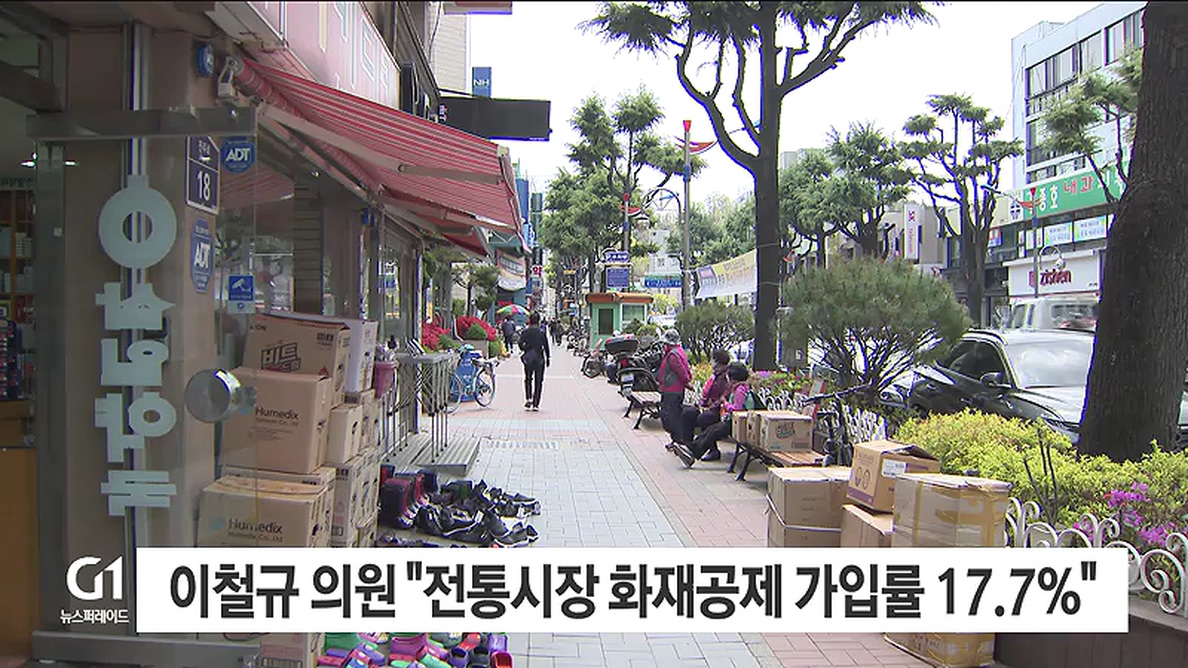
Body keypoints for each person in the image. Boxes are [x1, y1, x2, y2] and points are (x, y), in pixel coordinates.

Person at [673, 362, 750, 468]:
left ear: (733, 377)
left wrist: (725, 403)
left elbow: (737, 409)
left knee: (713, 431)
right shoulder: (738, 388)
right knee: (711, 430)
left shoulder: (740, 390)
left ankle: (692, 452)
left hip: (738, 423)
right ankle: (690, 450)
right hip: (733, 421)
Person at [673, 349, 732, 456]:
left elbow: (724, 397)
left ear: (718, 361)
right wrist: (701, 404)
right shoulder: (715, 375)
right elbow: (706, 393)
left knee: (704, 418)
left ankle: (712, 450)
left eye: (713, 359)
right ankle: (686, 445)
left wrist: (710, 407)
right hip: (708, 406)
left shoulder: (727, 377)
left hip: (719, 409)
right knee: (688, 413)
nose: (711, 362)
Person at [656, 328, 692, 444]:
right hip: (673, 389)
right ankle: (676, 440)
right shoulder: (678, 351)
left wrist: (687, 382)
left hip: (672, 390)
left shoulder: (673, 355)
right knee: (673, 415)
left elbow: (681, 371)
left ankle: (678, 440)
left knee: (670, 417)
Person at [518, 312, 551, 411]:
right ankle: (536, 404)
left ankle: (529, 398)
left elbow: (520, 343)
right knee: (539, 381)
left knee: (528, 378)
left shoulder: (525, 332)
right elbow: (546, 346)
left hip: (529, 358)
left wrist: (525, 349)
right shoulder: (541, 332)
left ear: (530, 320)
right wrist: (548, 358)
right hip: (539, 358)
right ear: (538, 321)